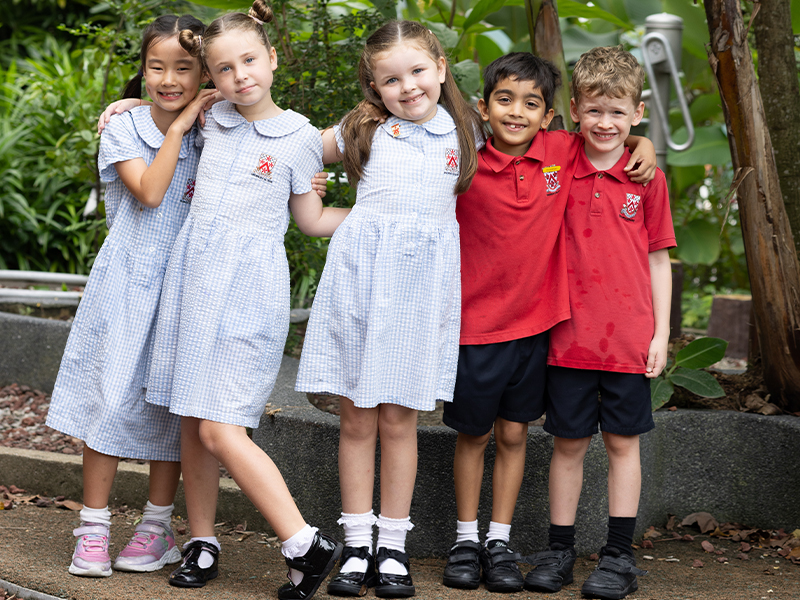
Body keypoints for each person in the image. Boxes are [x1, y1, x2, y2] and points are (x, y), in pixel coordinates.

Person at [144, 2, 348, 598]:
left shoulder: (301, 138)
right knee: (191, 415)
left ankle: (304, 543)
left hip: (248, 291)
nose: (241, 76)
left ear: (273, 58)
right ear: (211, 76)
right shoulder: (211, 117)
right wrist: (127, 106)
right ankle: (201, 542)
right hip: (193, 281)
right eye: (225, 68)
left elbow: (310, 221)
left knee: (222, 427)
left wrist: (380, 217)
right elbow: (161, 111)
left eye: (250, 60)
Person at [440, 52, 657, 594]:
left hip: (539, 329)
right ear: (483, 108)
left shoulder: (560, 153)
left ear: (550, 115)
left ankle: (500, 540)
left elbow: (612, 135)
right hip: (477, 328)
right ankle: (467, 539)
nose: (517, 112)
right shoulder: (463, 161)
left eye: (531, 103)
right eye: (505, 99)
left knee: (515, 433)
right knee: (473, 433)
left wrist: (642, 144)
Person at [295, 20, 485, 599]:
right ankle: (355, 543)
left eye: (417, 71)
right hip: (360, 284)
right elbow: (288, 145)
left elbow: (555, 139)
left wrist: (639, 143)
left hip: (420, 295)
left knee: (400, 420)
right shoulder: (364, 127)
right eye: (391, 79)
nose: (407, 87)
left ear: (441, 68)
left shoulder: (468, 129)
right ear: (375, 87)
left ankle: (393, 547)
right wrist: (310, 192)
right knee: (357, 418)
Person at [45, 14, 215, 578]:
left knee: (167, 407)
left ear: (204, 72)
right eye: (156, 66)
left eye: (184, 68)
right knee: (110, 399)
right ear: (141, 69)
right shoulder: (125, 128)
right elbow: (148, 193)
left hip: (188, 286)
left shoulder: (217, 128)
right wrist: (172, 124)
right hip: (128, 284)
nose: (168, 79)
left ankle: (156, 527)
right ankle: (92, 529)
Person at [524, 46, 675, 600]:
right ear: (575, 111)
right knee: (566, 445)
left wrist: (659, 333)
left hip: (628, 339)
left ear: (637, 112)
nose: (605, 123)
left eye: (617, 113)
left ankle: (617, 557)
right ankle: (558, 550)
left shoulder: (646, 178)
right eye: (593, 111)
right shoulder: (558, 162)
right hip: (568, 338)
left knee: (621, 445)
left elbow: (660, 257)